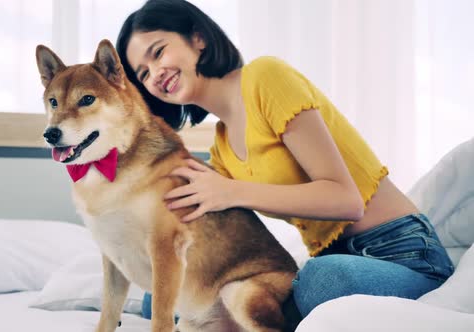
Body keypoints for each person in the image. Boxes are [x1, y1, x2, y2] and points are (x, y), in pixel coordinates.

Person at [116, 0, 454, 322]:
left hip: (403, 254)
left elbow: (346, 200)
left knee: (321, 281)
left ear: (198, 38)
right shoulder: (220, 148)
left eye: (158, 52)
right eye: (143, 74)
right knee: (160, 299)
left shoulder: (266, 77)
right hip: (337, 258)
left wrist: (231, 191)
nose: (155, 74)